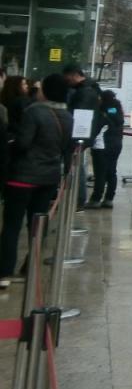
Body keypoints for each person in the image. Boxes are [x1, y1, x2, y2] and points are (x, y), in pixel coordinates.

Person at [1, 74, 73, 288]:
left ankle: (5, 271)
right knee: (38, 224)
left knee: (12, 225)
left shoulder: (35, 112)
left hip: (23, 176)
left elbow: (23, 143)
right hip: (49, 177)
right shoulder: (68, 116)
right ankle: (30, 267)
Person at [64, 64, 101, 208]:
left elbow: (79, 114)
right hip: (85, 134)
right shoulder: (91, 89)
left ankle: (78, 199)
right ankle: (78, 198)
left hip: (79, 134)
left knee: (75, 166)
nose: (66, 81)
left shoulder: (84, 92)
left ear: (74, 74)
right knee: (77, 165)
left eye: (67, 77)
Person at [87, 90, 125, 209]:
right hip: (117, 144)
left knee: (100, 173)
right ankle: (109, 199)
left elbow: (95, 129)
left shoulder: (101, 110)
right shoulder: (117, 109)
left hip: (101, 146)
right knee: (112, 172)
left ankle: (96, 199)